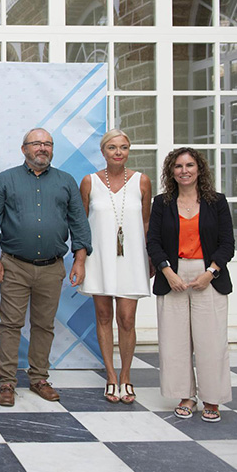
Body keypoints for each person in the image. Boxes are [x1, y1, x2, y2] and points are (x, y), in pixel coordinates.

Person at [0, 128, 92, 407]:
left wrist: (79, 260)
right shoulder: (5, 180)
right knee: (10, 325)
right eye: (36, 144)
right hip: (14, 266)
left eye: (47, 144)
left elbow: (79, 224)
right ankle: (6, 382)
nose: (42, 148)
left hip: (52, 267)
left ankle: (39, 378)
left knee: (44, 325)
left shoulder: (66, 182)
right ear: (24, 149)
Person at [147, 147, 234, 423]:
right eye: (178, 166)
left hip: (208, 276)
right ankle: (186, 396)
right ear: (171, 172)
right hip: (171, 275)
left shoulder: (216, 202)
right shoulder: (161, 203)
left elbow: (227, 243)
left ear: (199, 169)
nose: (184, 170)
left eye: (189, 165)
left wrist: (211, 272)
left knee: (211, 341)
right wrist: (167, 272)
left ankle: (212, 398)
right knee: (175, 342)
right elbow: (153, 242)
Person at [79, 129, 152, 404]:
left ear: (128, 150)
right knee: (103, 316)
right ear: (103, 151)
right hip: (99, 258)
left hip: (132, 257)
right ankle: (110, 376)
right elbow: (81, 224)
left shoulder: (142, 181)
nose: (118, 152)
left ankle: (126, 375)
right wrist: (81, 257)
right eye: (112, 147)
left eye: (123, 147)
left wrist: (150, 257)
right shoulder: (89, 182)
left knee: (127, 318)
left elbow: (145, 222)